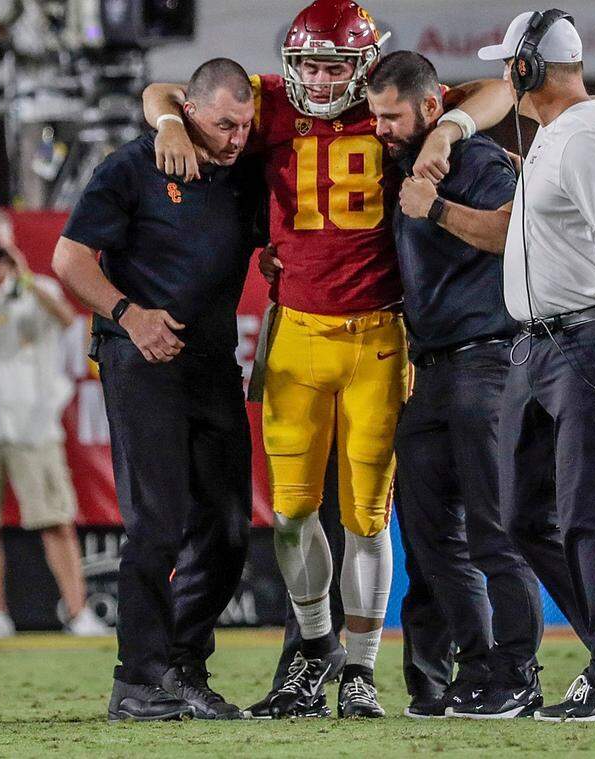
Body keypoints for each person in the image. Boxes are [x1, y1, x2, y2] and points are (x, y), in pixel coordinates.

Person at [142, 0, 516, 719]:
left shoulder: (391, 107)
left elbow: (492, 92)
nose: (317, 78)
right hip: (298, 332)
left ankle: (363, 670)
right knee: (290, 512)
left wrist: (453, 131)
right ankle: (316, 649)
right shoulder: (273, 102)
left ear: (367, 67)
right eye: (309, 63)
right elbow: (166, 94)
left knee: (368, 518)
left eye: (332, 65)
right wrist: (165, 120)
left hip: (380, 333)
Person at [52, 57, 263, 722]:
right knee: (156, 523)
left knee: (229, 529)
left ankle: (181, 666)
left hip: (211, 363)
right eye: (225, 123)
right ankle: (137, 680)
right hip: (140, 361)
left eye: (246, 124)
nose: (236, 136)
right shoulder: (132, 165)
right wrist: (128, 314)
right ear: (192, 109)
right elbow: (69, 258)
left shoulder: (240, 173)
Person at [479, 9, 595, 721]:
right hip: (535, 346)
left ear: (530, 67)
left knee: (586, 513)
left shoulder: (587, 136)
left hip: (583, 344)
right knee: (524, 516)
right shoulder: (560, 138)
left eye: (511, 63)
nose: (505, 74)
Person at [367, 50, 547, 720]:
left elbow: (511, 235)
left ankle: (517, 673)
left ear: (430, 107)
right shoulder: (403, 156)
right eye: (375, 116)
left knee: (495, 531)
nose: (381, 127)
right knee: (431, 536)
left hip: (492, 362)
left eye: (392, 116)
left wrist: (435, 206)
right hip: (431, 367)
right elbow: (489, 92)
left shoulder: (480, 163)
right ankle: (466, 674)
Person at [0, 207, 108, 639]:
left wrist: (23, 271)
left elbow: (67, 320)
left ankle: (78, 613)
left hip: (33, 422)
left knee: (56, 519)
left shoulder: (40, 289)